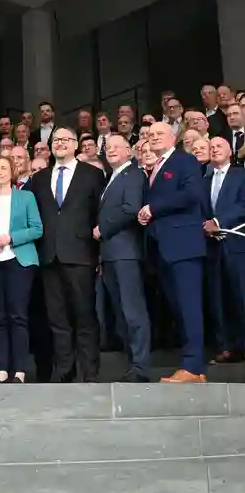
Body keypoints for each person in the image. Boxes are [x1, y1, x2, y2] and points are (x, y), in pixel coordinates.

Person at [30, 127, 105, 382]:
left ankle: (89, 372)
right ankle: (65, 371)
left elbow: (98, 213)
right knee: (57, 318)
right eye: (56, 140)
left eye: (65, 139)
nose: (60, 143)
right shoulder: (39, 178)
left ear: (75, 144)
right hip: (49, 256)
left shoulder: (92, 174)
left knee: (85, 315)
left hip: (81, 254)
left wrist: (98, 253)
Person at [138, 122, 207, 383]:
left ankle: (193, 366)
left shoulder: (184, 160)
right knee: (178, 307)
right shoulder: (154, 166)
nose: (154, 137)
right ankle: (193, 366)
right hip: (163, 248)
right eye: (151, 134)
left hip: (183, 246)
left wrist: (153, 208)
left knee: (189, 306)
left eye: (160, 134)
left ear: (173, 137)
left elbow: (192, 194)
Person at [0, 155, 43, 383]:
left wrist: (10, 238)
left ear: (12, 171)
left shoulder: (26, 197)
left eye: (3, 168)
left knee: (18, 316)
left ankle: (20, 370)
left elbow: (37, 229)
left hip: (19, 261)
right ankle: (2, 369)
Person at [95, 135, 150, 382]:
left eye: (117, 146)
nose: (111, 150)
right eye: (108, 147)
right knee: (121, 314)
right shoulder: (111, 177)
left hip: (126, 253)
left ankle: (140, 367)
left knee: (133, 311)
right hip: (110, 255)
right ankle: (132, 365)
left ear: (129, 151)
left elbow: (130, 208)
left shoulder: (134, 174)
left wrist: (102, 228)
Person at [203, 137, 245, 365]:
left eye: (219, 146)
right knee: (218, 298)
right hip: (213, 248)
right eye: (211, 147)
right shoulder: (205, 179)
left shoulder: (241, 175)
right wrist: (206, 225)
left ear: (230, 152)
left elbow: (242, 205)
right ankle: (226, 347)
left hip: (237, 246)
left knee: (241, 295)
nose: (214, 149)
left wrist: (219, 222)